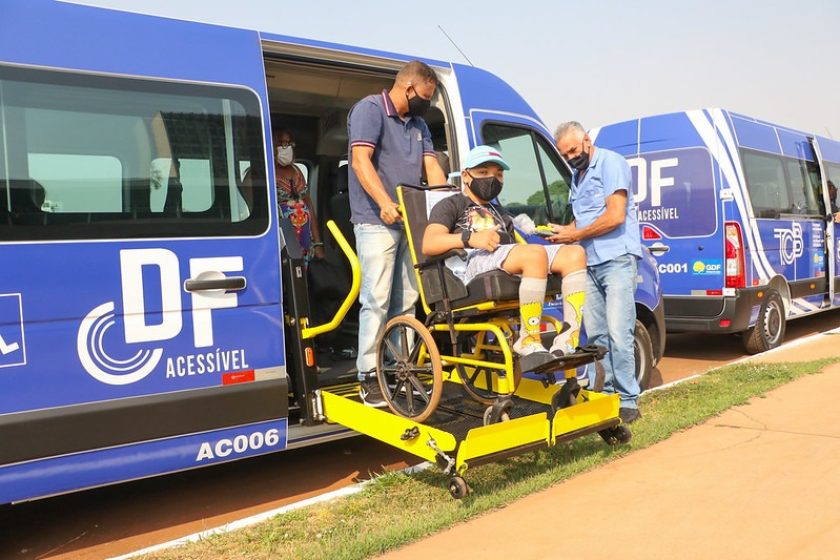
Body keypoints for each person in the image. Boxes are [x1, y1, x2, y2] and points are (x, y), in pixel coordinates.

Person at [423, 145, 588, 365]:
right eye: (483, 173)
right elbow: (429, 243)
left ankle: (568, 339)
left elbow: (515, 246)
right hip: (471, 264)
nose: (492, 179)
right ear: (465, 175)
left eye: (498, 174)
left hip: (503, 260)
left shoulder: (499, 211)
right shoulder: (451, 204)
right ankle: (528, 340)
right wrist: (469, 238)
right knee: (534, 255)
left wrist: (545, 232)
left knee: (575, 254)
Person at [348, 60, 447, 406]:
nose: (427, 103)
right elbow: (361, 161)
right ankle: (368, 375)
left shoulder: (419, 123)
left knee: (405, 302)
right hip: (376, 221)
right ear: (408, 89)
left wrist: (447, 204)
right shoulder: (370, 110)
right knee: (376, 299)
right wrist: (384, 202)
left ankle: (397, 368)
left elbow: (431, 167)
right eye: (425, 96)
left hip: (411, 223)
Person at [551, 122, 643, 424]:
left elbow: (615, 216)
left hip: (617, 259)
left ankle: (628, 400)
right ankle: (603, 397)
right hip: (587, 263)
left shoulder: (611, 163)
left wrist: (575, 236)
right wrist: (566, 232)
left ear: (587, 140)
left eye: (574, 151)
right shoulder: (578, 176)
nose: (571, 158)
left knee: (619, 332)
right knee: (596, 336)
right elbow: (584, 220)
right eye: (565, 155)